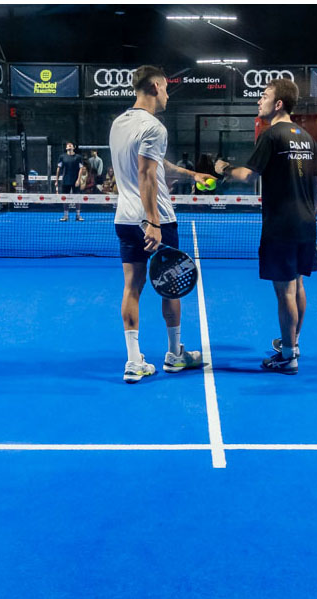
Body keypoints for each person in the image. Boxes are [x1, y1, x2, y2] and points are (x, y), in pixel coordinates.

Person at [109, 65, 216, 383]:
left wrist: (192, 175)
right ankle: (174, 354)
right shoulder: (154, 127)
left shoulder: (119, 123)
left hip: (124, 219)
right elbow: (145, 174)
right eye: (167, 88)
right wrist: (153, 222)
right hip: (157, 220)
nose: (168, 94)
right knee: (172, 287)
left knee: (132, 287)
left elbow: (157, 166)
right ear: (155, 86)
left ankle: (133, 361)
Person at [215, 78, 317, 375]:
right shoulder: (307, 137)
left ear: (278, 104)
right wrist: (310, 214)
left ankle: (287, 358)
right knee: (298, 284)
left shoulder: (271, 135)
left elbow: (248, 176)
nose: (258, 100)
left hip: (281, 225)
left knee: (285, 291)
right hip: (306, 223)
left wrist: (223, 168)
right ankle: (293, 343)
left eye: (263, 96)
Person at [55, 142, 86, 221]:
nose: (69, 146)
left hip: (75, 181)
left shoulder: (78, 157)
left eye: (71, 145)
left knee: (77, 198)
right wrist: (56, 180)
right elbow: (58, 168)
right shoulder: (62, 157)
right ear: (66, 148)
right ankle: (66, 216)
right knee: (65, 198)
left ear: (73, 147)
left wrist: (78, 180)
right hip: (65, 181)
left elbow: (81, 169)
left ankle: (78, 216)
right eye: (67, 145)